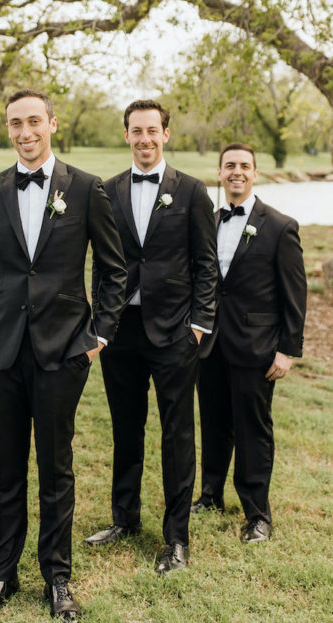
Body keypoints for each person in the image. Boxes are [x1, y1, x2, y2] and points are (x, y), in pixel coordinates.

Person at [0, 89, 127, 619]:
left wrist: (97, 337)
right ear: (7, 130)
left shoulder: (87, 189)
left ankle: (58, 579)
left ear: (52, 122)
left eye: (34, 121)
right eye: (15, 124)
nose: (25, 132)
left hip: (62, 352)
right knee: (6, 467)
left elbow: (114, 271)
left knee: (56, 469)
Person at [86, 100, 218, 574]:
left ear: (166, 134)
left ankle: (176, 538)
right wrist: (101, 320)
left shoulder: (193, 192)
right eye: (135, 132)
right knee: (126, 426)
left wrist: (199, 324)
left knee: (177, 434)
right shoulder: (108, 190)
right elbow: (103, 262)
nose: (144, 139)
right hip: (121, 332)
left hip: (175, 333)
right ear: (126, 136)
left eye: (151, 131)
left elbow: (207, 265)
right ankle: (125, 518)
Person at [191, 143, 307, 543]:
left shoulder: (279, 225)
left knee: (253, 427)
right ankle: (210, 494)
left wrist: (288, 349)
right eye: (229, 166)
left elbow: (295, 294)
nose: (236, 172)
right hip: (209, 343)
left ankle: (257, 513)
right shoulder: (207, 219)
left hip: (256, 345)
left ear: (255, 173)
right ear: (219, 173)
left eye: (244, 166)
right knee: (214, 421)